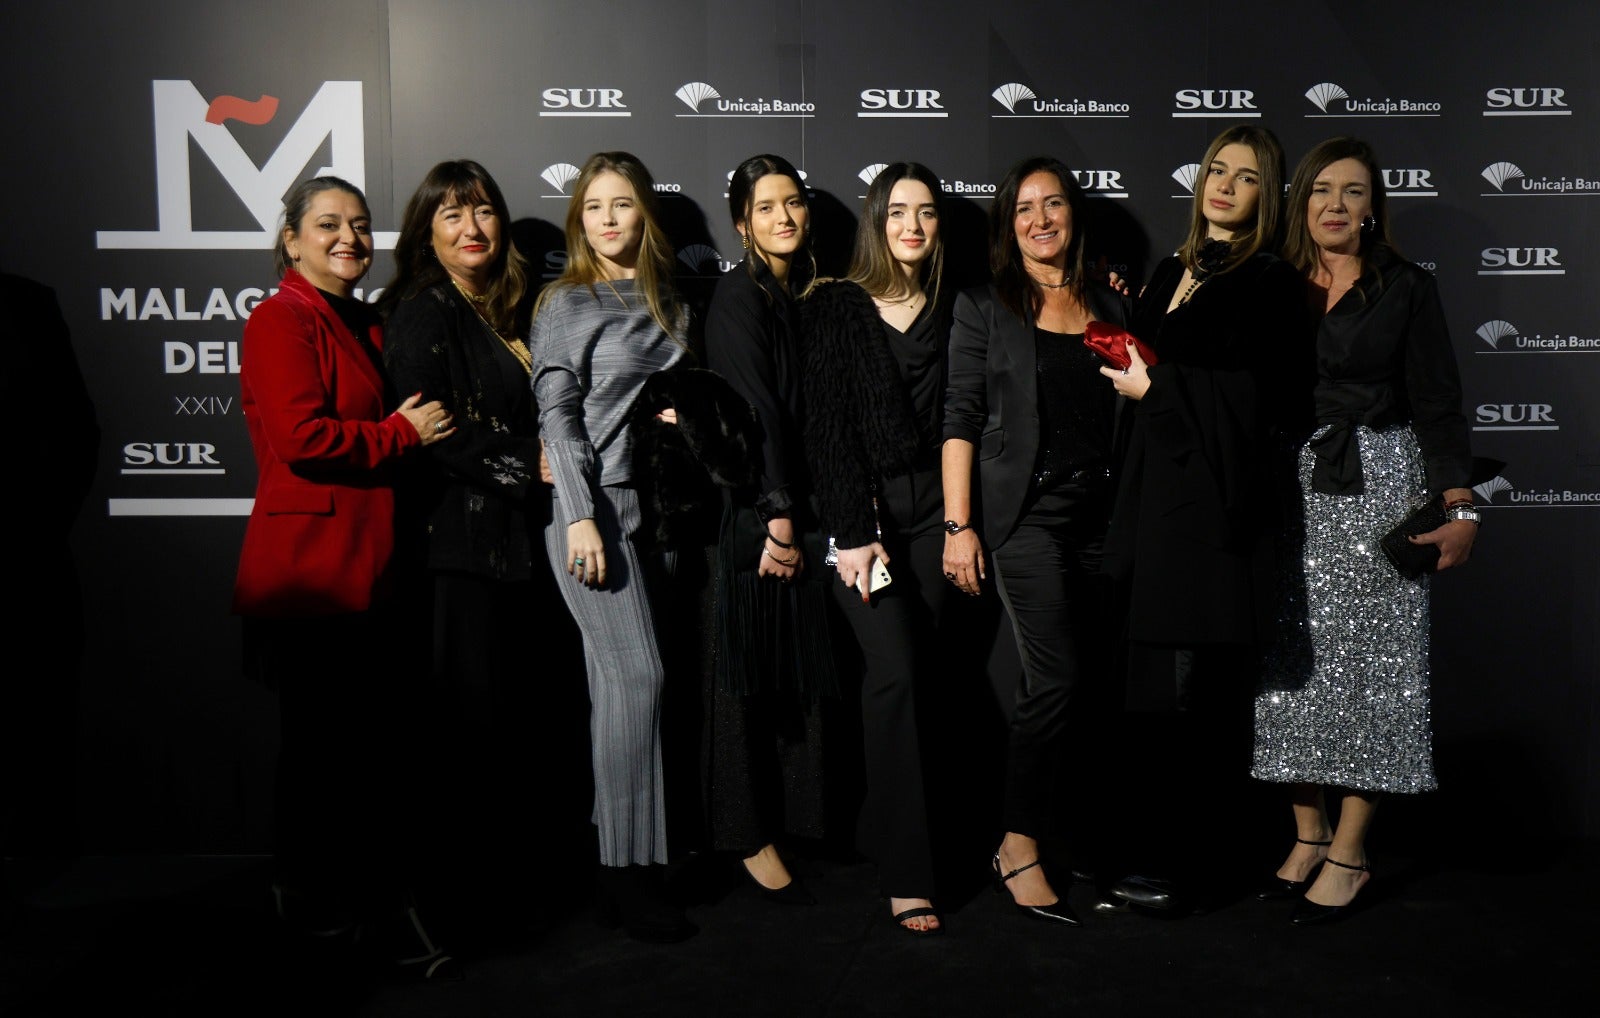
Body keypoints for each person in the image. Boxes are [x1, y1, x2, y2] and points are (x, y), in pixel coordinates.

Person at [233, 176, 461, 980]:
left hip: (374, 573)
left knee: (358, 755)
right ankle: (316, 905)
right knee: (327, 756)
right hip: (311, 579)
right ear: (290, 239)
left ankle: (341, 903)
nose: (349, 238)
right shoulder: (278, 319)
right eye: (327, 225)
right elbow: (301, 439)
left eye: (361, 226)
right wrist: (399, 436)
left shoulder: (365, 319)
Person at [1252, 137, 1478, 925]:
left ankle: (1351, 851)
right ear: (1300, 201)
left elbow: (1440, 402)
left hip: (1378, 485)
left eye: (1352, 192)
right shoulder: (1271, 283)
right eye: (1321, 191)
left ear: (1373, 205)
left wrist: (1460, 508)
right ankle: (1307, 834)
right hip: (1285, 489)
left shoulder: (1406, 287)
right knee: (1289, 669)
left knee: (1373, 677)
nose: (1335, 206)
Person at [1098, 125, 1306, 914]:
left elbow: (1270, 402)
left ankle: (1199, 867)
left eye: (1245, 176)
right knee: (1153, 690)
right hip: (1154, 501)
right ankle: (1150, 849)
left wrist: (1161, 390)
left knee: (1200, 696)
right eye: (1216, 169)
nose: (1223, 185)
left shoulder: (1270, 282)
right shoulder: (1172, 268)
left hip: (1215, 514)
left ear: (1267, 192)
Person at [942, 156, 1132, 927]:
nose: (1041, 219)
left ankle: (1073, 833)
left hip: (1106, 520)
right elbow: (958, 418)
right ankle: (1016, 843)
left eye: (1054, 204)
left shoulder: (1110, 302)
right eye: (1025, 207)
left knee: (1094, 688)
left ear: (1074, 216)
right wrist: (960, 527)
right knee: (1053, 679)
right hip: (1026, 520)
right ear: (1008, 223)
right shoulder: (984, 307)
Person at [378, 159, 563, 934]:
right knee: (468, 731)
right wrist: (531, 458)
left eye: (482, 210)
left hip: (511, 543)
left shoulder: (506, 308)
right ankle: (460, 904)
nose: (472, 228)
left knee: (510, 725)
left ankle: (503, 890)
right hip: (457, 550)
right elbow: (432, 429)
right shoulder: (427, 309)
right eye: (451, 215)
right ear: (427, 232)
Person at [529, 151, 697, 943]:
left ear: (644, 215)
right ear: (579, 217)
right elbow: (557, 417)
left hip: (653, 511)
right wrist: (580, 511)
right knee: (641, 679)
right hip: (589, 508)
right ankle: (625, 874)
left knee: (617, 696)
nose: (606, 218)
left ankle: (633, 859)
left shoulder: (672, 303)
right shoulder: (566, 301)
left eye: (622, 204)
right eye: (593, 205)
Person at [800, 162, 951, 936]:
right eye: (898, 213)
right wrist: (852, 532)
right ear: (876, 221)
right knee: (891, 678)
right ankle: (907, 874)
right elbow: (824, 428)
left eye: (925, 213)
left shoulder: (955, 305)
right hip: (865, 513)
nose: (913, 228)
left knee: (928, 681)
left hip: (938, 512)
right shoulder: (836, 305)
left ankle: (881, 830)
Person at [700, 154, 834, 905]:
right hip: (755, 518)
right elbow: (750, 415)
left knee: (788, 676)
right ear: (743, 223)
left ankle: (788, 826)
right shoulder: (737, 297)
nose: (784, 216)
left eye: (794, 203)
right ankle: (746, 836)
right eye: (767, 206)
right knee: (745, 683)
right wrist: (777, 518)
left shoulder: (793, 294)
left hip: (792, 515)